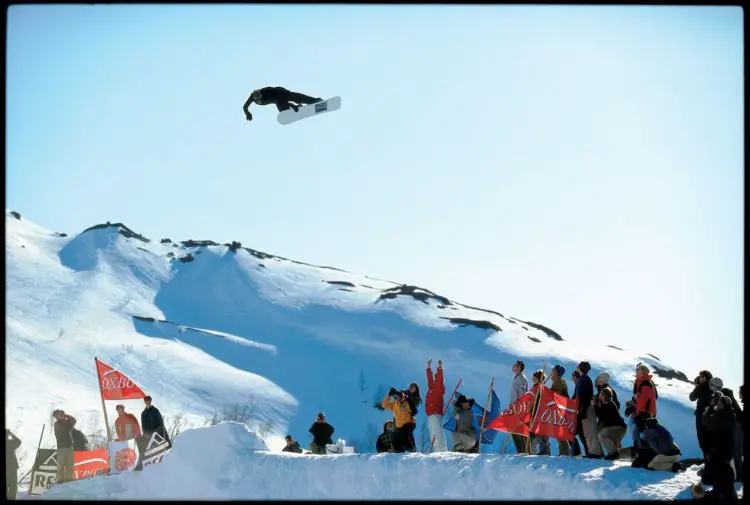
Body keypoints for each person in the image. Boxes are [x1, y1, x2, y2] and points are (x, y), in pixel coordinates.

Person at [700, 392, 737, 499]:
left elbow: (706, 421)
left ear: (722, 405)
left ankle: (719, 491)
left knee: (717, 468)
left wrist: (708, 409)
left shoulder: (720, 416)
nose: (718, 404)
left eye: (719, 403)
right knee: (724, 468)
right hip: (728, 446)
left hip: (718, 446)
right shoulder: (731, 414)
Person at [243, 86, 323, 121]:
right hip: (277, 99)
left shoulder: (266, 92)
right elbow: (245, 107)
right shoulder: (252, 97)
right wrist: (248, 113)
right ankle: (296, 108)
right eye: (258, 100)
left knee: (295, 97)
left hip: (280, 92)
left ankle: (315, 100)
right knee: (284, 110)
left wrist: (293, 105)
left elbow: (280, 99)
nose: (260, 101)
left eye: (260, 98)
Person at [575, 361, 602, 458]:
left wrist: (583, 409)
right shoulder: (582, 379)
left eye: (578, 366)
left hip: (586, 408)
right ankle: (591, 451)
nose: (577, 368)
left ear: (581, 368)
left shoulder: (585, 379)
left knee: (590, 431)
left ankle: (596, 452)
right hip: (583, 408)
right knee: (586, 431)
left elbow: (586, 396)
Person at [595, 387, 627, 460]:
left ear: (604, 396)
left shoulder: (610, 405)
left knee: (601, 435)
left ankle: (613, 453)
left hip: (617, 428)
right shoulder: (606, 404)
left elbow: (601, 416)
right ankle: (625, 454)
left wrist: (595, 405)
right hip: (619, 428)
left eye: (600, 394)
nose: (599, 395)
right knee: (614, 445)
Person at [689, 370, 714, 462]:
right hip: (712, 415)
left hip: (701, 415)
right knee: (710, 439)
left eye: (700, 376)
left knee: (703, 440)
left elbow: (692, 397)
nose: (698, 378)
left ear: (704, 377)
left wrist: (697, 386)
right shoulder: (713, 387)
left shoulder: (701, 386)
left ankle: (708, 464)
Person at [549, 365, 571, 456]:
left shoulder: (558, 381)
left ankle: (565, 452)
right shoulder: (559, 381)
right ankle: (564, 451)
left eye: (553, 370)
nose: (551, 372)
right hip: (560, 409)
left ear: (557, 372)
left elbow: (554, 394)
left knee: (559, 431)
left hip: (559, 409)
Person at [425, 359, 447, 452]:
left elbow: (439, 380)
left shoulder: (439, 388)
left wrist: (439, 368)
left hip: (436, 413)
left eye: (436, 378)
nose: (434, 380)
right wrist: (429, 368)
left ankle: (442, 451)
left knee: (438, 433)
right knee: (433, 434)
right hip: (430, 414)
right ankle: (437, 451)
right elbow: (430, 380)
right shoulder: (431, 388)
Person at [509, 360, 529, 454]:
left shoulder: (522, 379)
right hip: (514, 408)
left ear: (520, 368)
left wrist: (520, 410)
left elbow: (522, 395)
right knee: (514, 430)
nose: (514, 367)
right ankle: (520, 451)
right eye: (514, 365)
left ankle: (523, 451)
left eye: (516, 366)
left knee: (519, 430)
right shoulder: (516, 377)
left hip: (519, 409)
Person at [529, 370, 550, 455]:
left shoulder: (541, 388)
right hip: (533, 413)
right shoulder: (535, 387)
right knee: (533, 433)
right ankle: (533, 451)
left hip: (539, 413)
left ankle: (544, 452)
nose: (533, 378)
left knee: (540, 434)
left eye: (535, 376)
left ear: (538, 378)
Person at [52, 409, 76, 483]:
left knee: (70, 464)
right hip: (61, 447)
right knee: (60, 465)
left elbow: (74, 420)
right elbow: (61, 434)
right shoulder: (57, 424)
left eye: (59, 414)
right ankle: (60, 479)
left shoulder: (67, 422)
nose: (59, 416)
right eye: (57, 415)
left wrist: (66, 416)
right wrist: (66, 422)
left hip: (69, 446)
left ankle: (69, 478)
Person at [570, 370, 588, 457]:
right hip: (578, 413)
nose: (572, 378)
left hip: (579, 413)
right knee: (580, 434)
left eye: (573, 376)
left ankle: (577, 452)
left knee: (573, 433)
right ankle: (584, 452)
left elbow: (578, 398)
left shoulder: (579, 386)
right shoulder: (578, 386)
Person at [6, 429, 21, 500]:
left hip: (11, 467)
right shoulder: (10, 443)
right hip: (11, 467)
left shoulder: (10, 443)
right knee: (13, 486)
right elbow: (18, 441)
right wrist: (11, 434)